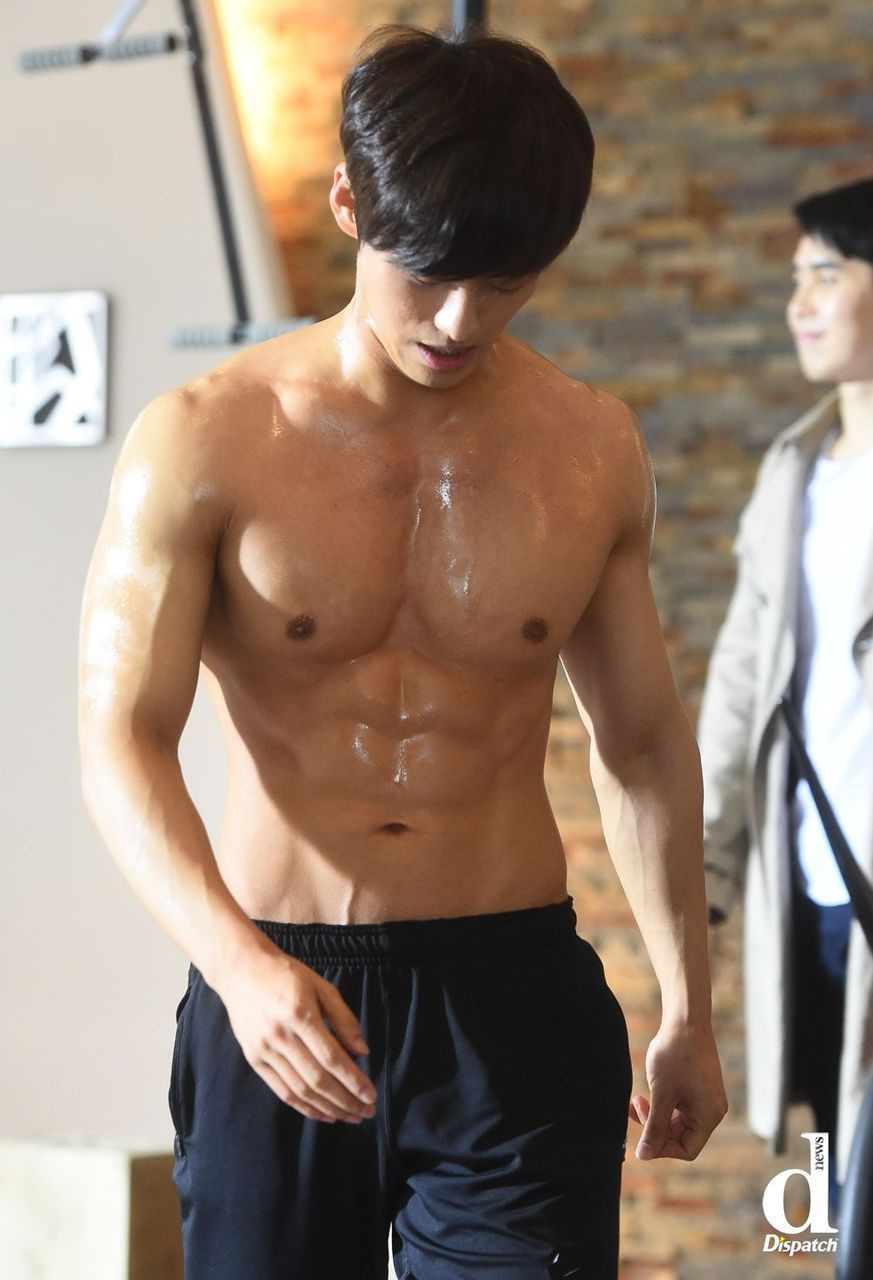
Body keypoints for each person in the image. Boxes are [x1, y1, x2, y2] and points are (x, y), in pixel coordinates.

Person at [79, 25, 725, 1280]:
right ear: (348, 203)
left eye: (508, 282)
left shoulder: (591, 451)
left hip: (512, 996)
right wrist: (237, 967)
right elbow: (120, 736)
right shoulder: (204, 440)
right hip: (280, 985)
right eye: (428, 272)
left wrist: (689, 1005)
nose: (460, 318)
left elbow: (643, 742)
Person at [699, 177, 873, 1217]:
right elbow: (740, 684)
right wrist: (705, 876)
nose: (797, 303)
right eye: (794, 280)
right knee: (840, 1169)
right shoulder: (793, 471)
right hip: (811, 883)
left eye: (825, 275)